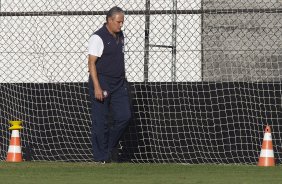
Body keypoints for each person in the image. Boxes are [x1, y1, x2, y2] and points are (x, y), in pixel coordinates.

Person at [88, 6, 131, 163]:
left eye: (122, 22)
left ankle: (109, 146)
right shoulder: (98, 38)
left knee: (124, 116)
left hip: (119, 84)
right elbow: (91, 64)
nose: (121, 25)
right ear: (110, 20)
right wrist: (97, 86)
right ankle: (101, 158)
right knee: (101, 122)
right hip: (102, 82)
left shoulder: (120, 36)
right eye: (119, 22)